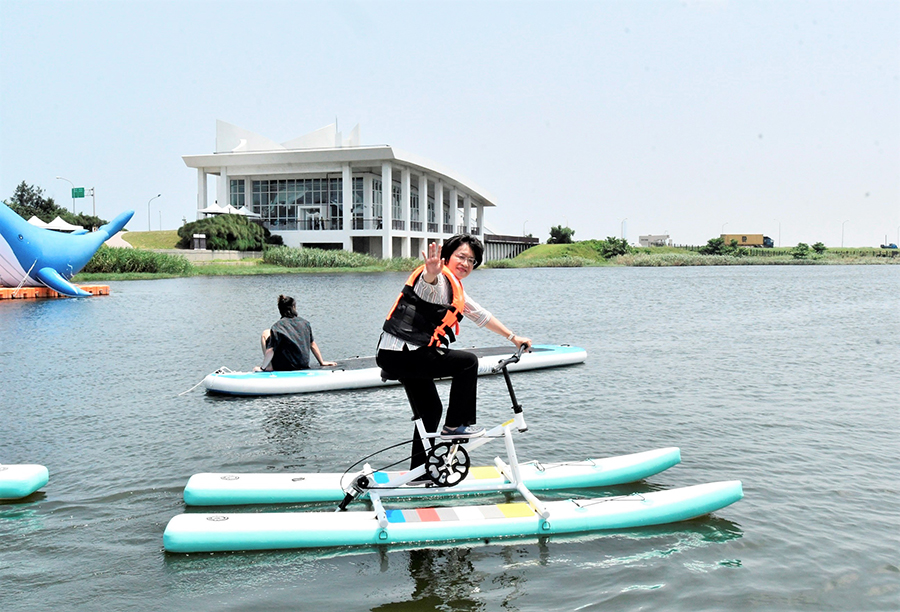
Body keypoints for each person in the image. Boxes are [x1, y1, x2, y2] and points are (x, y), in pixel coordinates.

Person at [376, 234, 532, 472]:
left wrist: (513, 337)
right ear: (446, 257)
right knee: (467, 362)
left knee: (431, 410)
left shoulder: (454, 287)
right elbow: (428, 281)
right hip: (403, 354)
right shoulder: (437, 280)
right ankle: (456, 426)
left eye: (471, 260)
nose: (466, 264)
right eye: (461, 256)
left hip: (402, 354)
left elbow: (481, 315)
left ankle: (420, 472)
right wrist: (431, 271)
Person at [256, 295, 337, 371]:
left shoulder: (277, 327)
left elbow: (271, 349)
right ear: (293, 307)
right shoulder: (305, 323)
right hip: (303, 364)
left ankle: (269, 366)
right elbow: (312, 344)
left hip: (285, 366)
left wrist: (262, 368)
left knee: (265, 333)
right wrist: (322, 362)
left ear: (279, 309)